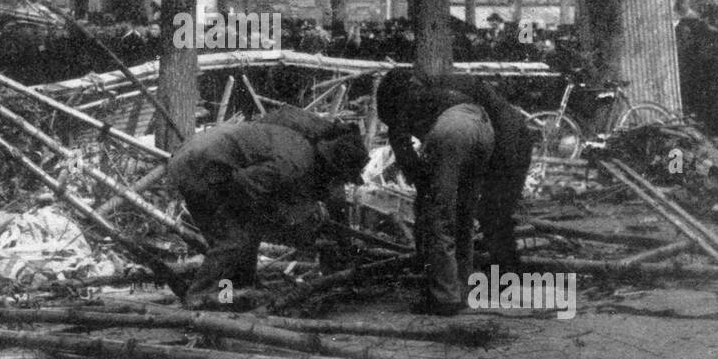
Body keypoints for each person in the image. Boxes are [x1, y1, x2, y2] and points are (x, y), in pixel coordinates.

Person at [377, 69, 535, 314]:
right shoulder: (442, 91)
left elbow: (407, 156)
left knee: (438, 217)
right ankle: (462, 288)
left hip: (456, 130)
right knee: (463, 213)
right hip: (484, 129)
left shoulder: (399, 103)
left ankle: (445, 298)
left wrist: (425, 191)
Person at [168, 118, 369, 307]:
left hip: (201, 160)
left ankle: (230, 297)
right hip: (201, 167)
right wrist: (283, 223)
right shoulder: (294, 163)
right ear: (331, 167)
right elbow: (244, 187)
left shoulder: (304, 150)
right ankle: (197, 301)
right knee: (234, 241)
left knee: (243, 239)